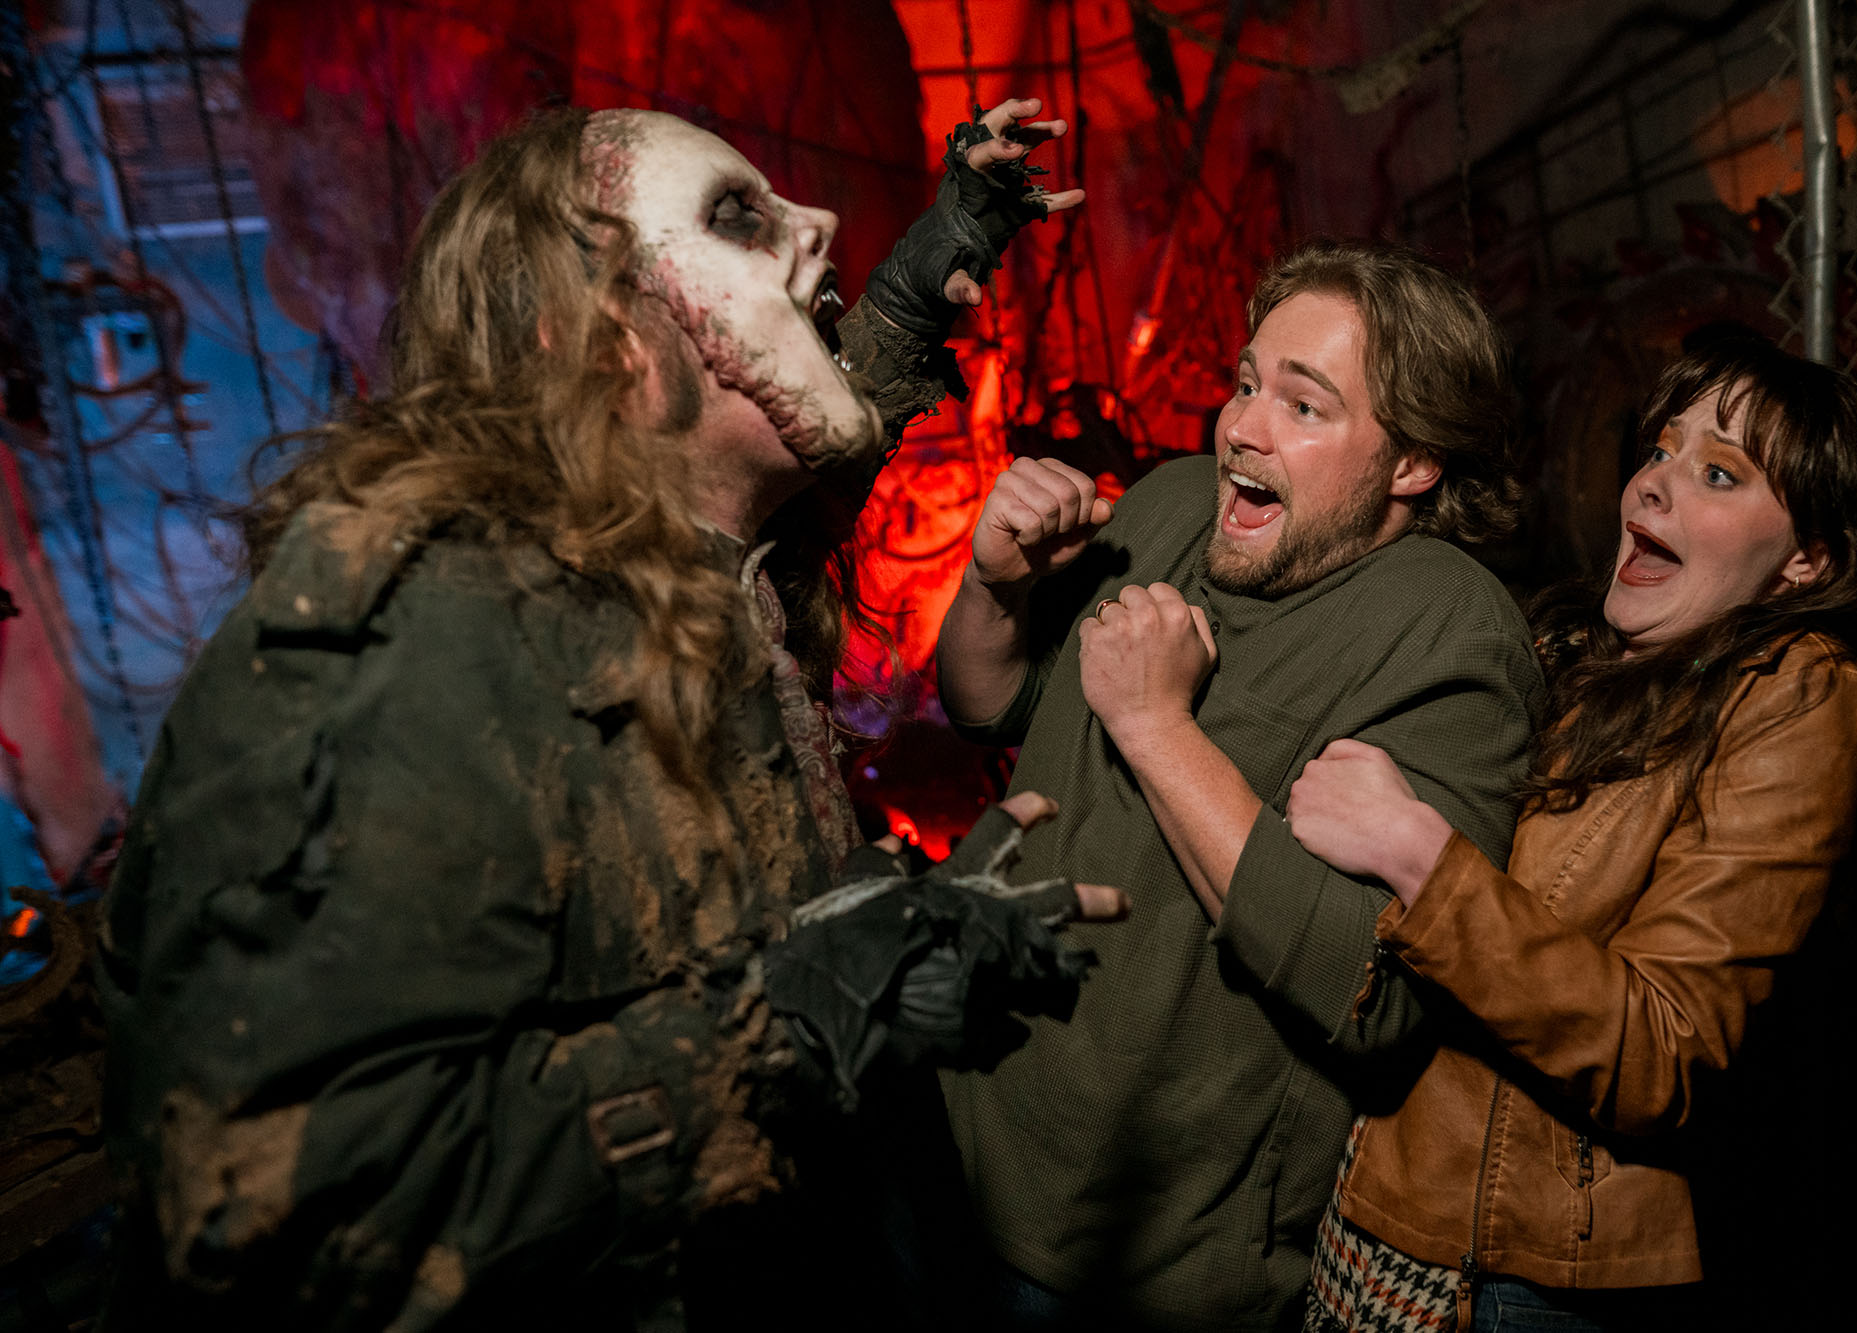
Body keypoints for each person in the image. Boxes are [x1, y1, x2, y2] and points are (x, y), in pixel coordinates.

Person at [94, 99, 1115, 1332]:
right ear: (593, 339)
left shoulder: (667, 557)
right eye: (736, 217)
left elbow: (797, 419)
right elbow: (272, 1207)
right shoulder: (422, 638)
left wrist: (920, 277)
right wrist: (793, 1025)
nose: (815, 219)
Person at [932, 239, 1545, 1330]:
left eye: (1304, 406)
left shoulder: (1451, 635)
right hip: (948, 1129)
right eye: (1247, 383)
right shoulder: (1172, 500)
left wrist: (1154, 723)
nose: (1243, 429)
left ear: (1413, 462)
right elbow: (990, 705)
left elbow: (1370, 992)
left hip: (1130, 1262)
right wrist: (994, 587)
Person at [1288, 337, 1857, 1332]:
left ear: (1808, 559)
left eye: (1719, 473)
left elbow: (1664, 1048)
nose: (1654, 482)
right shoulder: (1570, 650)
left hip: (1513, 1277)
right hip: (1375, 1212)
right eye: (1661, 450)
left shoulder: (1798, 695)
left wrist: (1415, 852)